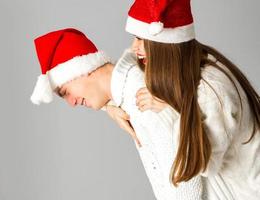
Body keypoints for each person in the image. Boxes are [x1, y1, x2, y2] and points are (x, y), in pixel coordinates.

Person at [107, 0, 260, 199]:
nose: (133, 47)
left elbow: (203, 164)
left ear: (165, 45)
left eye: (139, 39)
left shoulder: (212, 92)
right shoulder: (191, 64)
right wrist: (109, 104)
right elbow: (131, 66)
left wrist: (169, 110)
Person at [30, 28, 204, 199]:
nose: (71, 103)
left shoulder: (141, 98)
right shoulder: (128, 89)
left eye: (66, 92)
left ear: (84, 70)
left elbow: (185, 178)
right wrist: (110, 108)